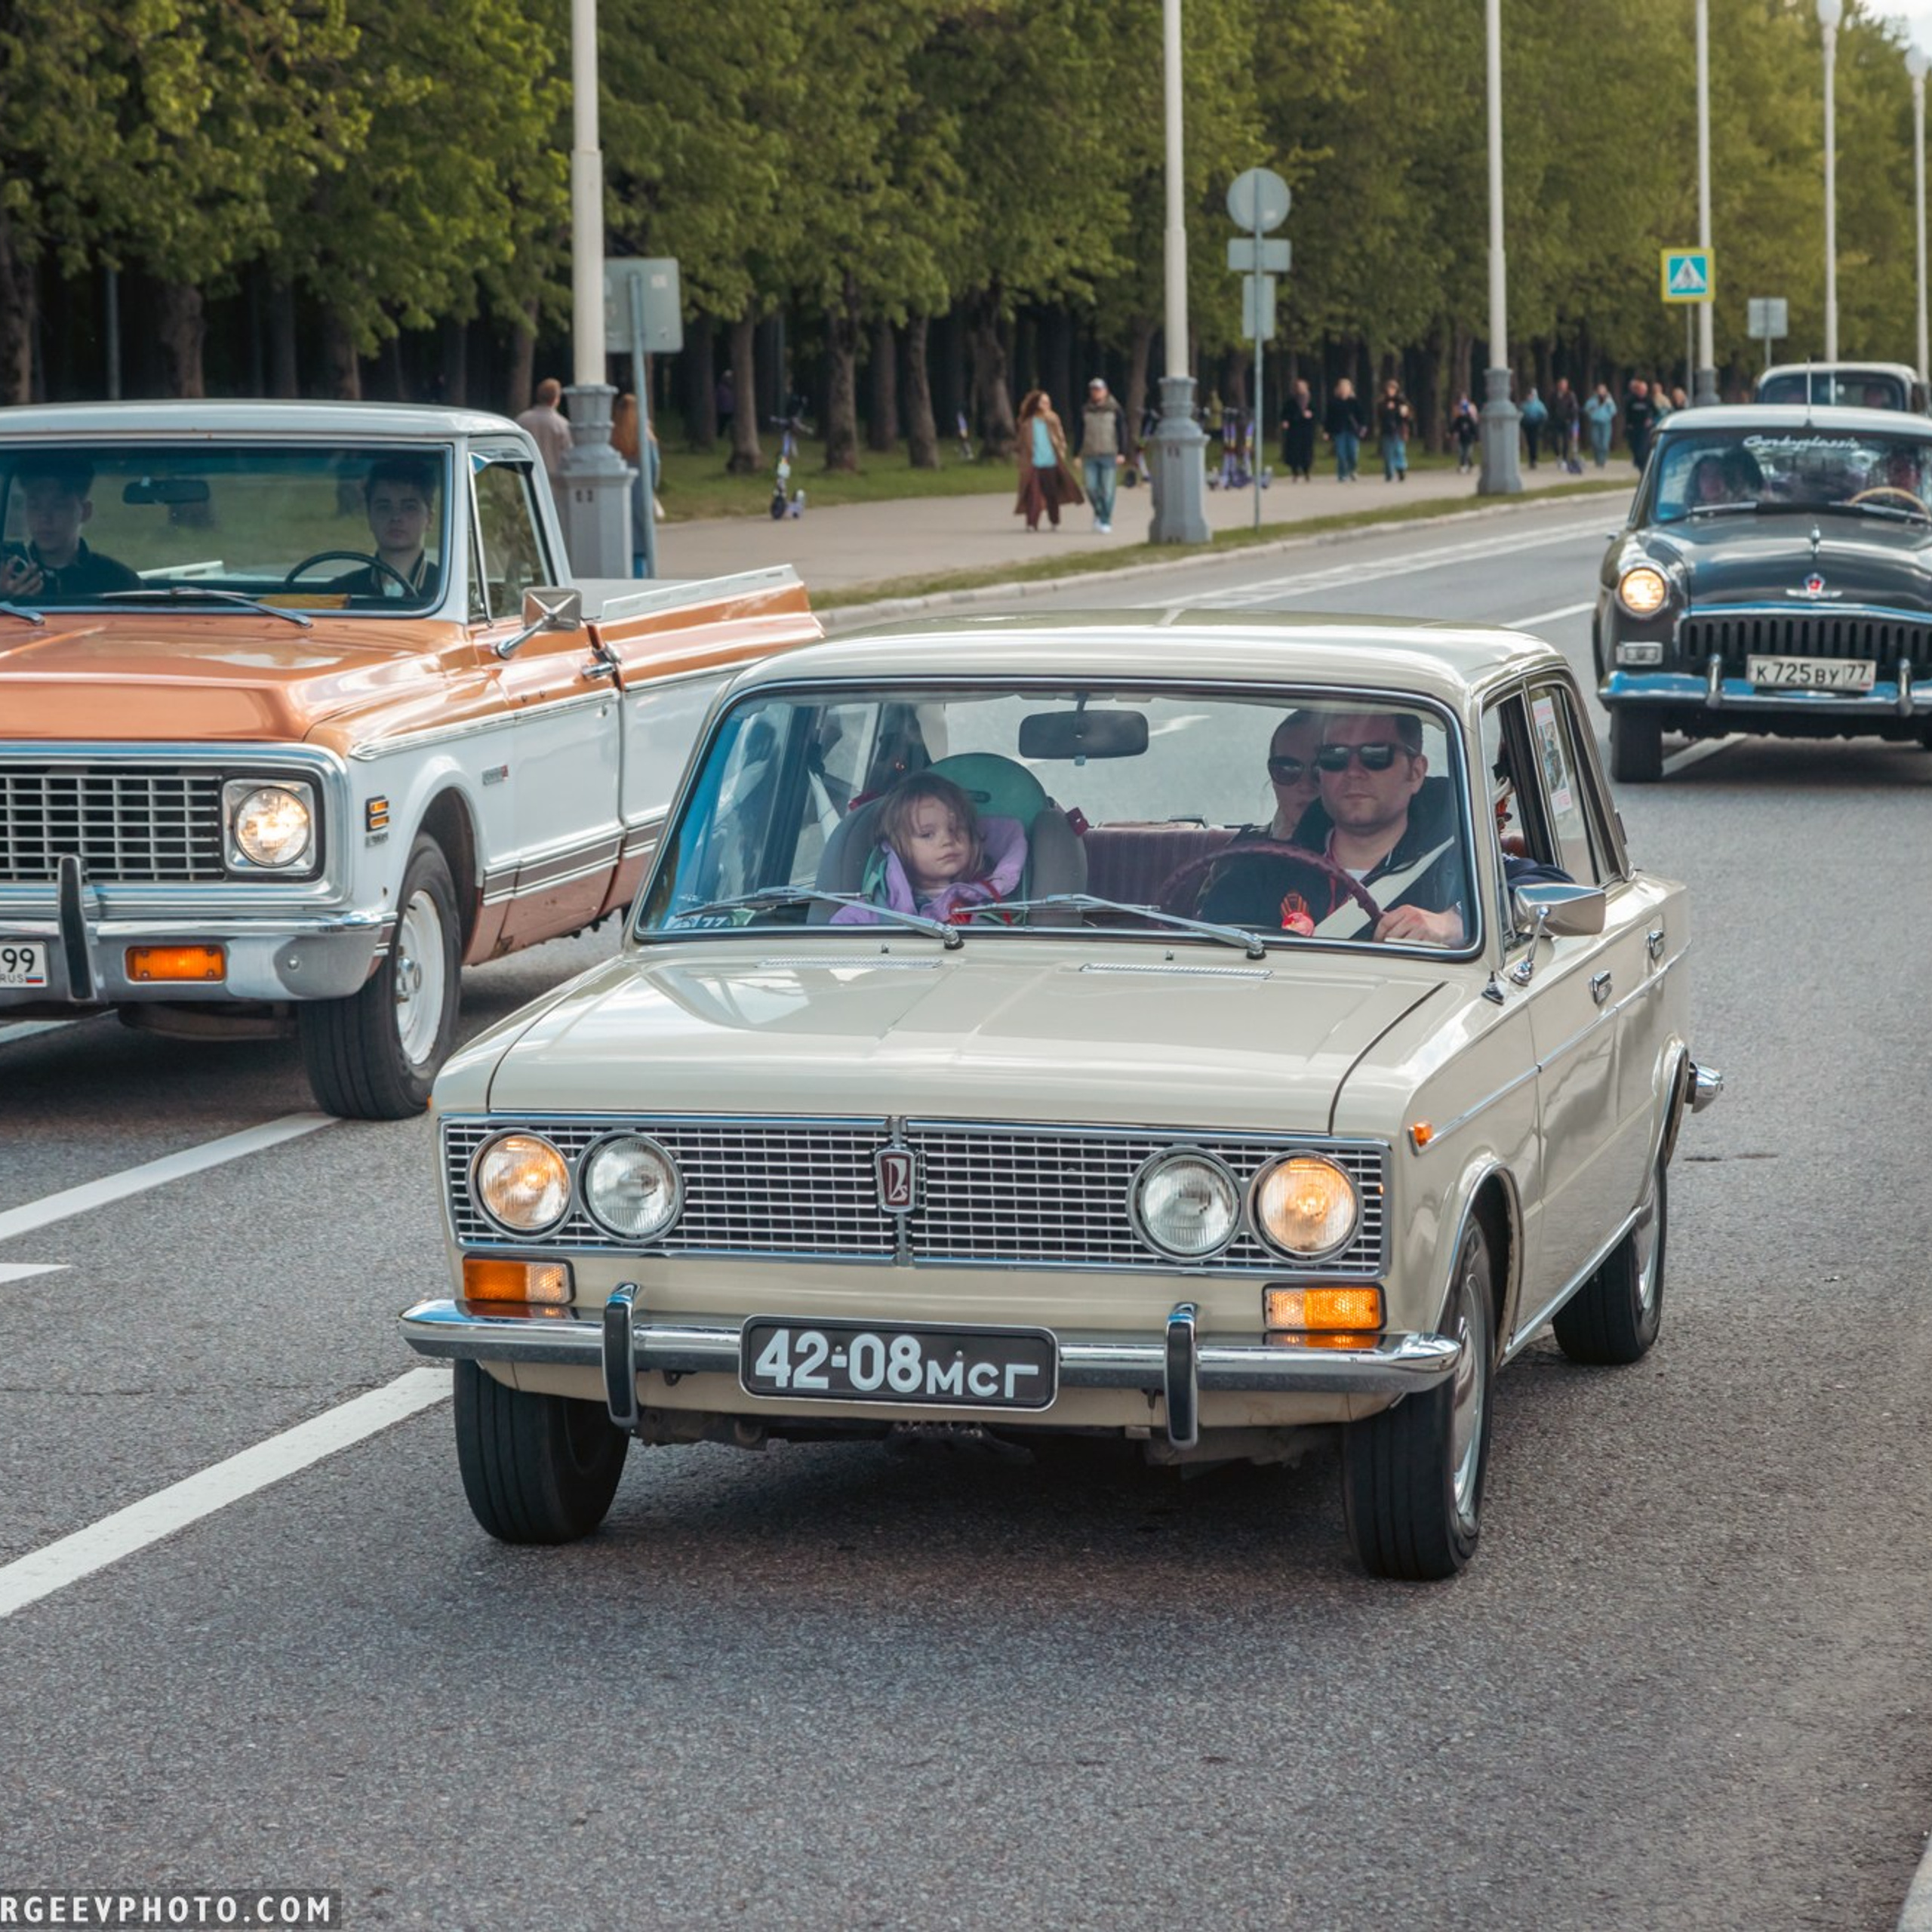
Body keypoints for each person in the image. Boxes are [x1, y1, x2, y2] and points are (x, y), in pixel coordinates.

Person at [1198, 711, 1468, 945]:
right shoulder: (1258, 876)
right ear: (1322, 772)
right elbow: (1210, 964)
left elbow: (1510, 895)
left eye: (1375, 755)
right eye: (1334, 757)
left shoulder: (1461, 863)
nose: (1353, 771)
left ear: (1415, 773)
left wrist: (1452, 923)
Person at [830, 772, 1028, 926]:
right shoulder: (877, 912)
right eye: (927, 835)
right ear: (896, 848)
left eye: (956, 828)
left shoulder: (995, 906)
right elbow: (834, 948)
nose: (947, 840)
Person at [0, 455, 141, 600]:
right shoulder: (8, 576)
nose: (44, 518)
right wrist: (5, 600)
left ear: (85, 512)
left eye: (58, 505)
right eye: (34, 506)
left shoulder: (118, 580)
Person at [331, 457, 441, 600]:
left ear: (429, 519)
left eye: (409, 507)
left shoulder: (445, 590)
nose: (396, 517)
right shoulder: (341, 592)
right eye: (384, 507)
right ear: (370, 517)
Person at [1013, 389, 1081, 532]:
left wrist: (1061, 451)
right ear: (1036, 404)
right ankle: (1031, 523)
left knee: (1052, 494)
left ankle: (1054, 520)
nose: (1047, 404)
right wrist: (1020, 458)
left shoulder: (1053, 420)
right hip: (1033, 464)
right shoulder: (1027, 424)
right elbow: (1020, 444)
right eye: (1044, 402)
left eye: (1048, 402)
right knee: (1034, 495)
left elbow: (1061, 439)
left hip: (1051, 462)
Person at [612, 392, 659, 576]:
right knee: (642, 540)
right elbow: (654, 468)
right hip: (641, 493)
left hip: (618, 494)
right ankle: (642, 576)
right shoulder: (646, 440)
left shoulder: (612, 438)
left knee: (623, 537)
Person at [1076, 377, 1128, 534]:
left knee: (1107, 490)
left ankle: (1105, 519)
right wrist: (1076, 454)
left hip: (1109, 454)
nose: (1095, 393)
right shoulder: (1086, 410)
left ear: (1105, 392)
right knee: (1091, 488)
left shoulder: (1115, 410)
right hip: (1090, 454)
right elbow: (1080, 433)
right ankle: (1098, 512)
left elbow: (1121, 432)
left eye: (1098, 390)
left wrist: (1122, 452)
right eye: (1093, 390)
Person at [516, 377, 572, 484]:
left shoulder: (521, 420)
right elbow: (568, 455)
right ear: (556, 399)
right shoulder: (562, 425)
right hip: (554, 483)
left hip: (527, 479)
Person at [1323, 378, 1367, 483]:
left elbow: (1362, 416)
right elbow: (1328, 418)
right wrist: (1326, 431)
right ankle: (1342, 474)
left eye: (1346, 388)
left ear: (1350, 389)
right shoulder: (1333, 402)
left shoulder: (1354, 402)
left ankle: (1352, 470)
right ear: (1338, 389)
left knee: (1352, 452)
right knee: (1341, 453)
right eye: (1342, 388)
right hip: (1339, 431)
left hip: (1352, 431)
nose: (1344, 390)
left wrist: (1363, 427)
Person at [1377, 378, 1413, 482]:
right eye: (1389, 389)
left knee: (1399, 451)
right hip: (1387, 430)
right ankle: (1389, 472)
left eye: (1393, 389)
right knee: (1388, 453)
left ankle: (1401, 469)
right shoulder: (1382, 401)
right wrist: (1388, 409)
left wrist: (1403, 412)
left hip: (1399, 429)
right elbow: (1380, 415)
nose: (1391, 391)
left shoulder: (1401, 401)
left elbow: (1407, 415)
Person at [1280, 380, 1317, 481]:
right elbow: (1285, 413)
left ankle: (1307, 471)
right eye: (1298, 387)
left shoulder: (1311, 400)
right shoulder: (1291, 401)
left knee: (1306, 450)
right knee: (1294, 450)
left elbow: (1317, 413)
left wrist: (1311, 415)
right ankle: (1295, 472)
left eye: (1302, 387)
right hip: (1294, 428)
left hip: (1307, 428)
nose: (1300, 389)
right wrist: (1285, 421)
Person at [1549, 377, 1582, 473]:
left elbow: (1574, 408)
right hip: (1556, 421)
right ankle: (1557, 455)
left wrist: (1571, 419)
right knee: (1554, 440)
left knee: (1566, 441)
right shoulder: (1554, 395)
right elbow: (1551, 407)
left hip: (1567, 421)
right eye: (1561, 384)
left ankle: (1564, 458)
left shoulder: (1570, 395)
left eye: (1565, 385)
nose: (1563, 386)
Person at [1583, 383, 1618, 469]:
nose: (1601, 392)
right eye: (1600, 390)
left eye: (1603, 391)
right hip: (1595, 423)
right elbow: (1586, 409)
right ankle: (1597, 460)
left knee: (1604, 444)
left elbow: (1614, 411)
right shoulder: (1592, 400)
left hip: (1606, 424)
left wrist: (1608, 404)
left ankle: (1602, 461)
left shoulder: (1609, 400)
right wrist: (1592, 410)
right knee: (1595, 442)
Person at [1624, 378, 1656, 469]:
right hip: (1634, 428)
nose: (1643, 392)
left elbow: (1655, 412)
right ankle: (1638, 462)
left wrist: (1650, 419)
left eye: (1644, 390)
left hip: (1645, 428)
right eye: (1641, 390)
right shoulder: (1631, 400)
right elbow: (1627, 413)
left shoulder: (1649, 400)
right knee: (1634, 447)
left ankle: (1644, 465)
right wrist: (1628, 424)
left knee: (1642, 448)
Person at [1520, 386, 1549, 469]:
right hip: (1527, 426)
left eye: (1531, 395)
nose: (1529, 396)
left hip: (1536, 426)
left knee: (1534, 442)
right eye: (1528, 395)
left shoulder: (1539, 405)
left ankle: (1534, 459)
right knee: (1530, 442)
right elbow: (1521, 415)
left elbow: (1544, 415)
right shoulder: (1524, 405)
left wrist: (1540, 423)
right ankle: (1531, 459)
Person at [1450, 394, 1479, 472]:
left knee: (1467, 453)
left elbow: (1474, 428)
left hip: (1469, 439)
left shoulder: (1470, 420)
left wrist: (1476, 437)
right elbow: (1455, 426)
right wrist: (1451, 432)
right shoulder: (1459, 419)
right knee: (1461, 453)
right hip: (1462, 438)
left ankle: (1466, 465)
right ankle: (1464, 465)